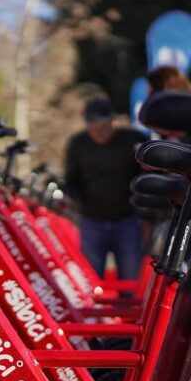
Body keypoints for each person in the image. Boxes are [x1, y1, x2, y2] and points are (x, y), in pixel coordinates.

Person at [63, 98, 149, 279]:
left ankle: (129, 305)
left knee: (132, 277)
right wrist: (73, 199)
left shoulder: (133, 140)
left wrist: (147, 214)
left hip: (128, 220)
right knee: (90, 278)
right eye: (93, 128)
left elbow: (147, 177)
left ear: (113, 122)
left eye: (103, 127)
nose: (99, 133)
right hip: (92, 220)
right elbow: (71, 179)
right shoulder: (78, 144)